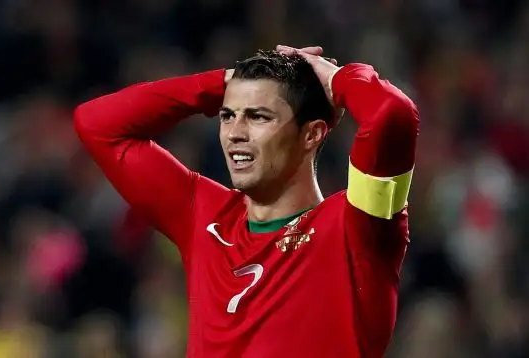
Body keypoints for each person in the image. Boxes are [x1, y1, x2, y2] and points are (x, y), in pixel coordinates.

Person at [74, 45, 419, 358]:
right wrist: (223, 83)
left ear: (311, 133)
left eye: (258, 117)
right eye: (227, 116)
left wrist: (336, 79)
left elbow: (393, 113)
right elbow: (97, 124)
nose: (235, 133)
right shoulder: (204, 215)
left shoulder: (359, 225)